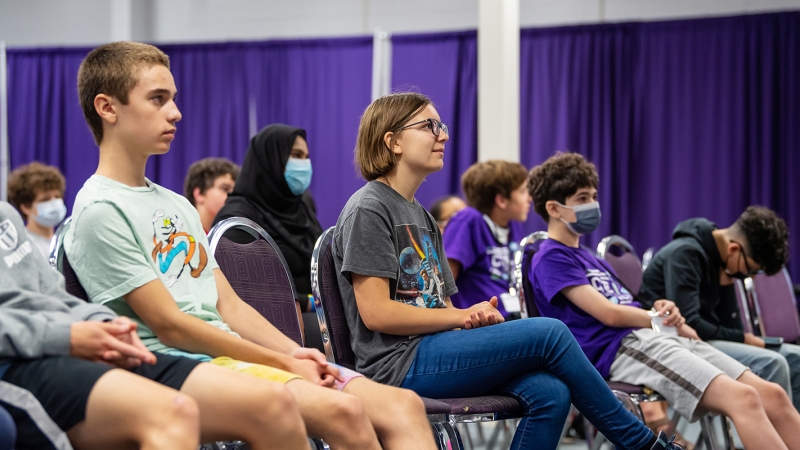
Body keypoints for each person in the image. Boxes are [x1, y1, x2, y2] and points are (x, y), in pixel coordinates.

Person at [65, 41, 434, 449]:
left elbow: (230, 305)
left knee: (403, 406)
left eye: (173, 98)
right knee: (343, 412)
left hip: (226, 358)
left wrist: (297, 352)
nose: (175, 112)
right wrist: (278, 360)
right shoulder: (100, 209)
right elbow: (169, 325)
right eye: (158, 99)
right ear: (107, 108)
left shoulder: (176, 204)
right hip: (172, 366)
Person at [332, 92, 682, 450]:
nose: (444, 135)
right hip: (397, 364)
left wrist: (472, 316)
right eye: (429, 126)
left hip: (432, 350)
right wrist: (460, 317)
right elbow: (376, 313)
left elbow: (439, 308)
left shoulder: (422, 217)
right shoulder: (369, 207)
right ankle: (644, 445)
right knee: (550, 333)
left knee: (551, 392)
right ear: (393, 142)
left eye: (442, 125)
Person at [527, 151, 800, 450]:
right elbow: (609, 315)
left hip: (652, 336)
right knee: (744, 399)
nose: (592, 204)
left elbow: (627, 306)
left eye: (593, 196)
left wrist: (660, 309)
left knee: (772, 394)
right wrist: (659, 318)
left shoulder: (591, 258)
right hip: (621, 349)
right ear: (554, 208)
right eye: (582, 198)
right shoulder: (550, 257)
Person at [0, 201, 308, 450]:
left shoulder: (6, 215)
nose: (175, 119)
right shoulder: (98, 211)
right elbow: (171, 326)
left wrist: (103, 324)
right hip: (26, 355)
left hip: (67, 342)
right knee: (174, 414)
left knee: (276, 404)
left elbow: (53, 294)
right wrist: (65, 336)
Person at [639, 206, 800, 411]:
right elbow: (690, 324)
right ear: (734, 249)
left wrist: (727, 284)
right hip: (675, 344)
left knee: (796, 358)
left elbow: (730, 325)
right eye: (752, 270)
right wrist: (743, 339)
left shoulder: (722, 261)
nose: (749, 277)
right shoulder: (685, 254)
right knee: (772, 363)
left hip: (705, 341)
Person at [214, 124, 323, 350]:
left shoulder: (302, 206)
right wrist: (311, 302)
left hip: (317, 311)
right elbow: (242, 287)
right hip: (272, 321)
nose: (303, 164)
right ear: (270, 158)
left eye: (306, 157)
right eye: (295, 156)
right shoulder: (238, 215)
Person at [443, 160, 529, 318]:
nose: (529, 198)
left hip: (512, 317)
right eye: (523, 191)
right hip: (479, 324)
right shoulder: (468, 220)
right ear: (502, 200)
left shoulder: (513, 225)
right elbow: (443, 282)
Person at [7, 162, 68, 259]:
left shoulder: (65, 243)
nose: (54, 202)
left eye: (57, 196)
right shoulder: (19, 247)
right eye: (45, 199)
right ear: (26, 207)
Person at [183, 157, 239, 233]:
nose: (233, 196)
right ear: (199, 194)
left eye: (235, 190)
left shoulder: (231, 238)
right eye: (225, 189)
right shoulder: (180, 234)